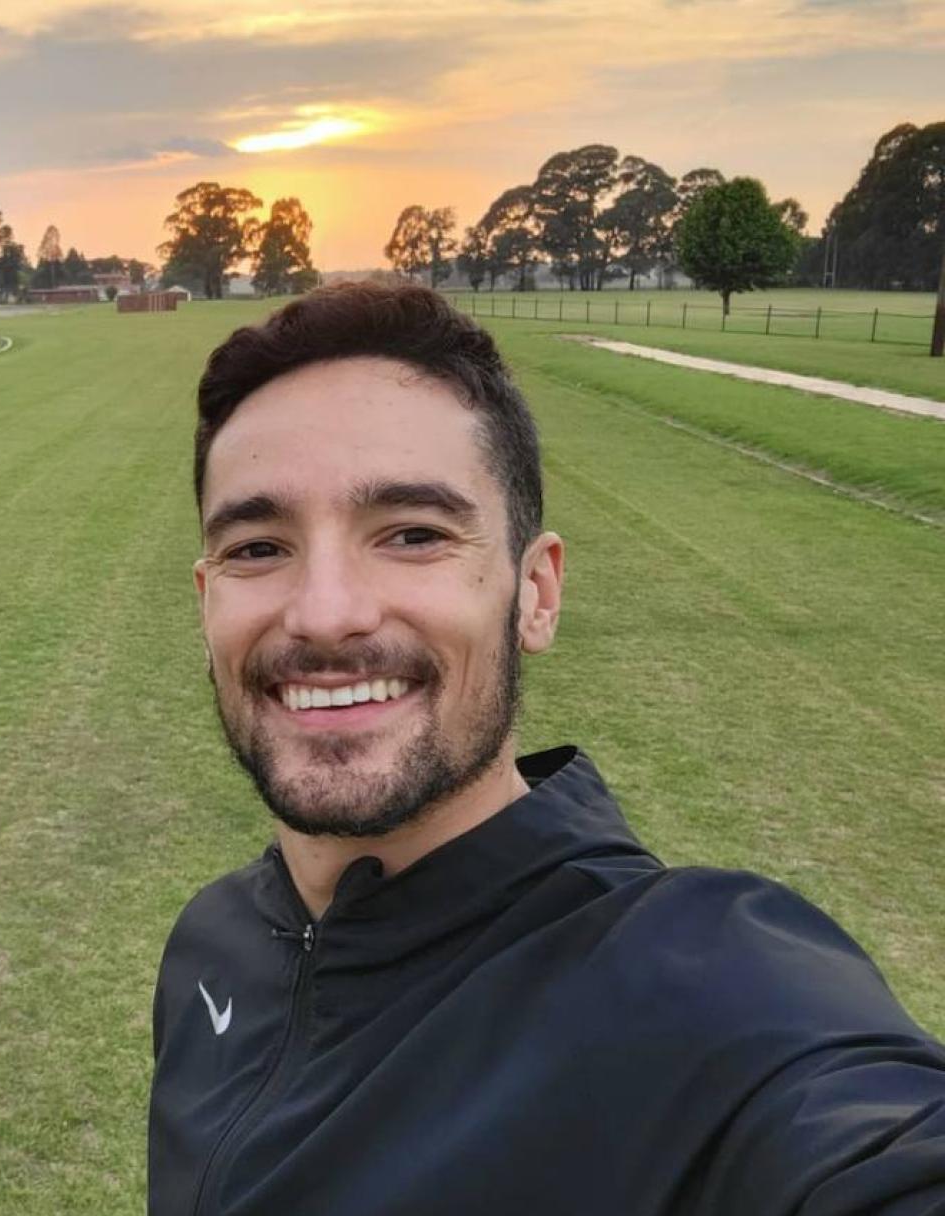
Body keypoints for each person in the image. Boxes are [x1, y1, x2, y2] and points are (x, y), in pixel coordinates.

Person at [148, 282, 945, 1216]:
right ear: (207, 602)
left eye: (412, 534)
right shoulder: (214, 944)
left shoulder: (703, 993)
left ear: (536, 593)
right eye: (256, 547)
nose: (326, 612)